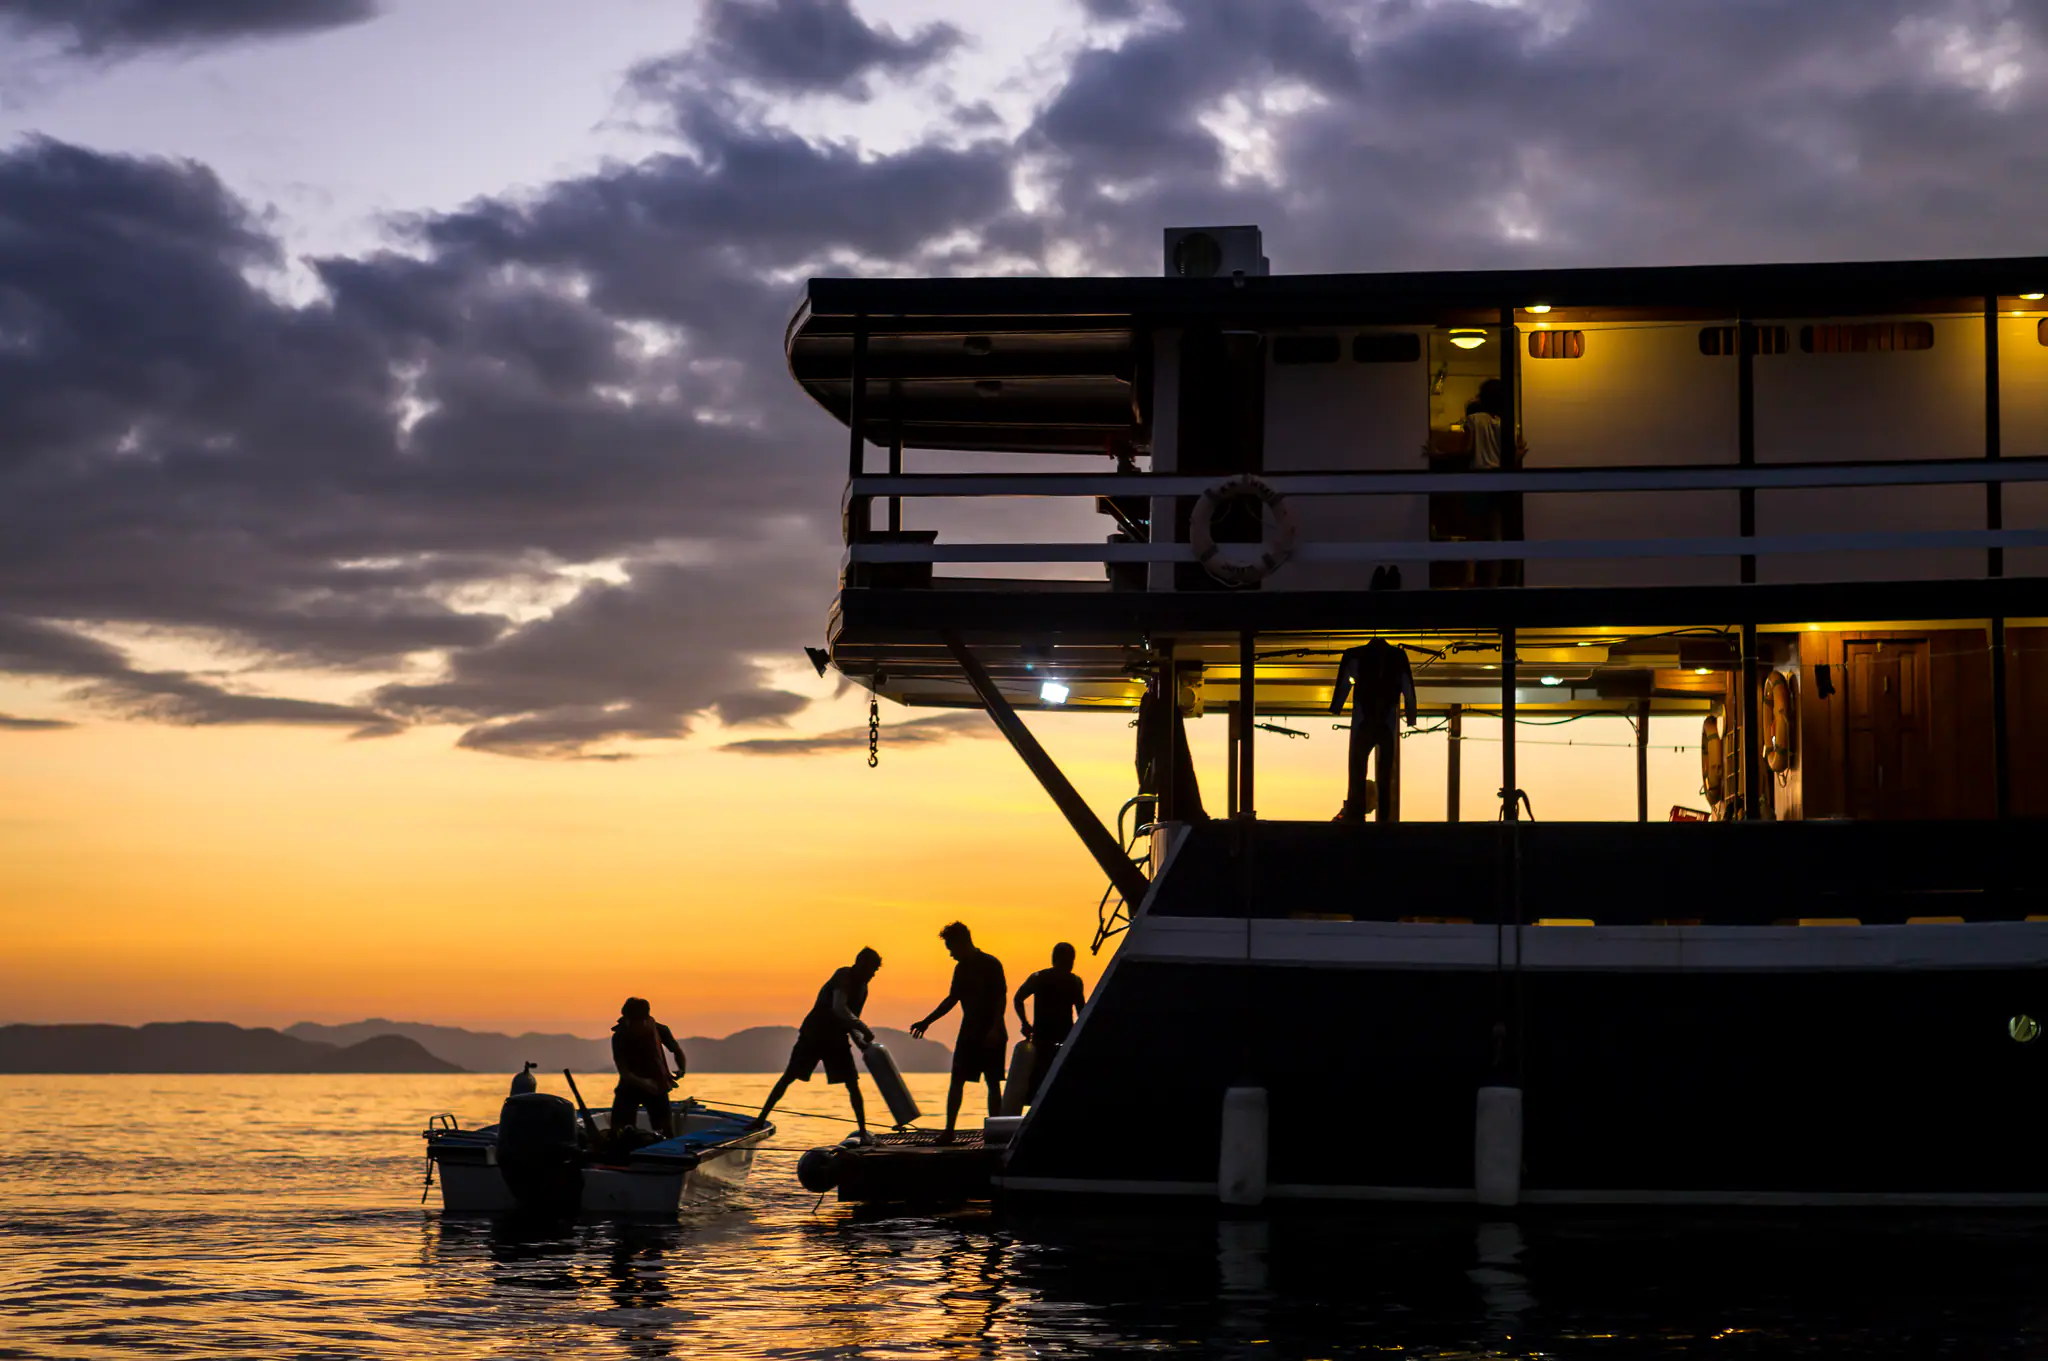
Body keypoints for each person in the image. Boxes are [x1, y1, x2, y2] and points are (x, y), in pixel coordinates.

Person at [754, 947, 881, 1137]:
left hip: (836, 1039)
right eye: (871, 969)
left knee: (852, 1085)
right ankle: (759, 1120)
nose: (872, 975)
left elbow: (851, 1019)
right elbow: (839, 1007)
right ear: (860, 964)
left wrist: (861, 1042)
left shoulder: (863, 988)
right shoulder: (843, 975)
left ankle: (863, 1131)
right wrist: (863, 1028)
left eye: (875, 971)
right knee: (788, 1077)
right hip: (814, 1034)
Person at [910, 922, 1007, 1143]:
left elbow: (1001, 998)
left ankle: (997, 1132)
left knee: (992, 1083)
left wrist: (996, 1027)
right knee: (957, 1080)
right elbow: (952, 999)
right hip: (969, 1031)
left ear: (963, 942)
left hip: (991, 1030)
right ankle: (949, 1130)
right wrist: (927, 1021)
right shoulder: (961, 968)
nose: (951, 954)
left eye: (951, 948)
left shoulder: (991, 964)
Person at [1330, 639, 1417, 822]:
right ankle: (1384, 820)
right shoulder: (1399, 657)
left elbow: (1344, 680)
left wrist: (1337, 705)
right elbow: (1408, 687)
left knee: (1357, 771)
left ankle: (1356, 817)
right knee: (1385, 775)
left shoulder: (1354, 654)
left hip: (1364, 720)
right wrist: (1411, 716)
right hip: (1386, 722)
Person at [1012, 943, 1086, 1106]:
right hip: (1056, 1040)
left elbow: (1018, 999)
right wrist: (1025, 1023)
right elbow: (1082, 1013)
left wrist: (1025, 1023)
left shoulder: (1040, 978)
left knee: (1042, 1083)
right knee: (1053, 1083)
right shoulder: (1071, 981)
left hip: (1051, 1040)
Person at [610, 997, 685, 1138]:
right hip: (630, 1086)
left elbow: (676, 1050)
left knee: (665, 1129)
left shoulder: (660, 1030)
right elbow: (624, 1072)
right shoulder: (620, 1036)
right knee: (619, 1129)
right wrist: (645, 1083)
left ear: (646, 1018)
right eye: (630, 1020)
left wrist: (682, 1069)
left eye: (637, 1021)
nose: (633, 1024)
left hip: (656, 1086)